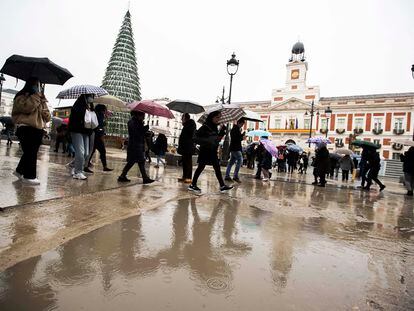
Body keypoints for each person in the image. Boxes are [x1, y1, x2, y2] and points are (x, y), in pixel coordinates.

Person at [11, 77, 50, 184]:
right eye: (37, 85)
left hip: (38, 129)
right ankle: (29, 176)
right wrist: (36, 97)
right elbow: (27, 108)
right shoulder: (21, 96)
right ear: (31, 85)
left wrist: (44, 105)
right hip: (25, 127)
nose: (38, 87)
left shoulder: (40, 99)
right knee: (30, 152)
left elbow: (47, 117)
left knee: (30, 152)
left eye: (40, 85)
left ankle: (19, 171)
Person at [188, 110, 233, 194]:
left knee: (217, 167)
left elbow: (216, 140)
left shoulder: (215, 127)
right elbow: (196, 137)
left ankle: (222, 186)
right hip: (205, 150)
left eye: (219, 117)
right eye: (217, 117)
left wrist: (222, 131)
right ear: (212, 117)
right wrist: (207, 140)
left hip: (212, 150)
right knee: (201, 167)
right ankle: (193, 184)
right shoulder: (205, 126)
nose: (218, 119)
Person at [118, 111, 154, 184]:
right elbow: (137, 133)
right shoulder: (134, 122)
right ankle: (144, 178)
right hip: (136, 145)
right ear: (139, 115)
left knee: (135, 161)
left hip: (136, 145)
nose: (144, 117)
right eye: (143, 115)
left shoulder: (134, 122)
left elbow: (139, 133)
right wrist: (145, 128)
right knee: (137, 161)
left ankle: (123, 176)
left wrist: (147, 132)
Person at [68, 94, 95, 180]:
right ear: (85, 97)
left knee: (86, 153)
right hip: (76, 131)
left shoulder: (89, 107)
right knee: (80, 152)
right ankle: (78, 172)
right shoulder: (77, 106)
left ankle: (73, 165)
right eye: (90, 96)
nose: (92, 98)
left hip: (85, 132)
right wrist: (85, 111)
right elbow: (75, 119)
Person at [87, 104, 113, 172]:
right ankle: (104, 166)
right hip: (98, 137)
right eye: (105, 109)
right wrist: (101, 135)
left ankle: (86, 164)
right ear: (102, 110)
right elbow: (99, 127)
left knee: (91, 151)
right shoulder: (100, 114)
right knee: (102, 151)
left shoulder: (94, 114)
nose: (105, 111)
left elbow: (98, 124)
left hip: (93, 135)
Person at [177, 113, 196, 183]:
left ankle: (189, 178)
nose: (181, 119)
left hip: (188, 147)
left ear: (185, 118)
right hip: (185, 147)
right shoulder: (187, 125)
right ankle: (184, 176)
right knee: (185, 163)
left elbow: (190, 134)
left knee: (188, 162)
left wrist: (185, 125)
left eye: (182, 118)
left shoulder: (191, 124)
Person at [225, 118, 245, 183]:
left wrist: (242, 135)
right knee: (240, 160)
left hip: (234, 148)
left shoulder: (236, 129)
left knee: (231, 162)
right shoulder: (235, 129)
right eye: (242, 124)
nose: (242, 126)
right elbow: (235, 139)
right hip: (236, 148)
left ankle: (227, 176)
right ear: (239, 123)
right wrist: (242, 137)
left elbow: (237, 138)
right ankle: (235, 176)